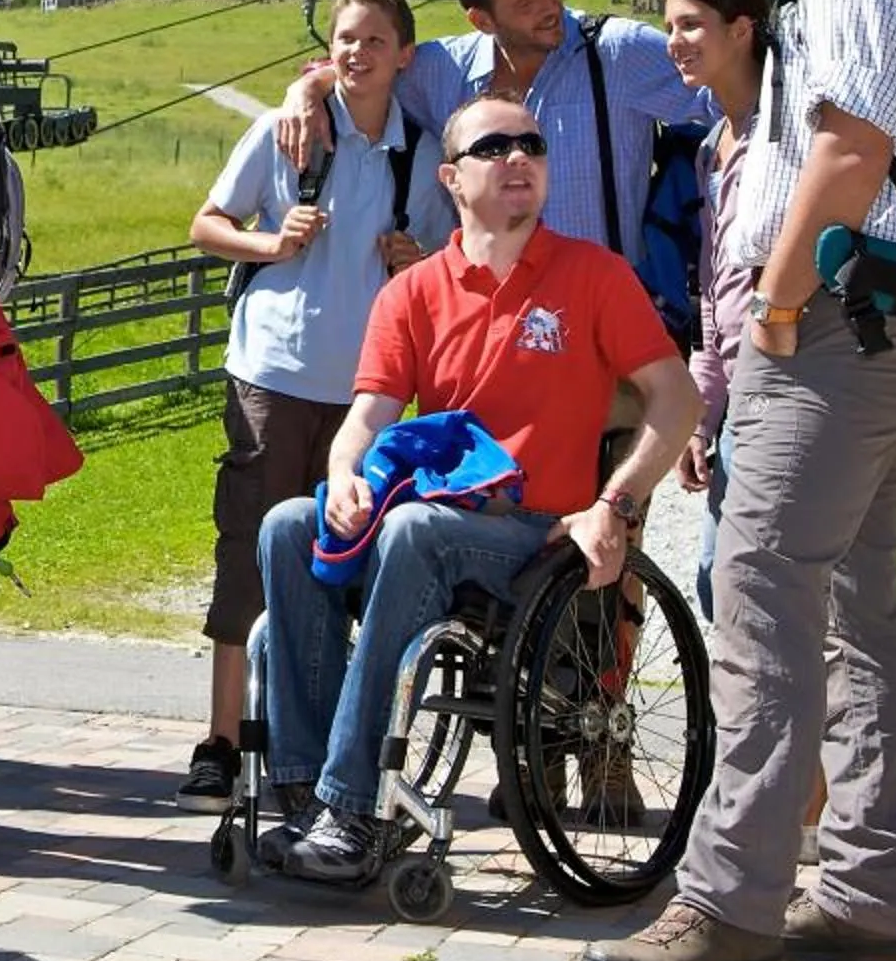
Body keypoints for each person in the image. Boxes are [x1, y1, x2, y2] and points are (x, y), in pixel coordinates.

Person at [582, 0, 896, 961]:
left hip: (839, 334)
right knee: (857, 615)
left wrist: (782, 308)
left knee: (758, 604)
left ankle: (731, 908)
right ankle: (870, 895)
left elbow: (850, 155)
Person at [255, 95, 697, 888]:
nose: (519, 156)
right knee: (290, 524)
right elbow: (367, 417)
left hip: (535, 536)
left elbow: (678, 398)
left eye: (531, 143)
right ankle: (304, 789)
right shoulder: (414, 291)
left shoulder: (594, 275)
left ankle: (355, 810)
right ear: (452, 179)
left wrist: (616, 504)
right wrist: (342, 475)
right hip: (429, 525)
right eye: (496, 147)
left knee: (415, 530)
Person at [177, 0, 452, 809]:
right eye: (343, 40)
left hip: (370, 392)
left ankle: (322, 742)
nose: (356, 53)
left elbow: (455, 264)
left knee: (340, 564)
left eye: (373, 41)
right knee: (248, 556)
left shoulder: (424, 154)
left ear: (405, 55)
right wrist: (270, 241)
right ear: (326, 52)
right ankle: (223, 742)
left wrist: (419, 262)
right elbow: (205, 224)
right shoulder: (286, 130)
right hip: (274, 375)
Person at [278, 0, 705, 258]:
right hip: (488, 319)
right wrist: (310, 86)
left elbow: (727, 98)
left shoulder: (619, 52)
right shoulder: (443, 72)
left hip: (602, 321)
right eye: (525, 4)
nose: (549, 8)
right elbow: (367, 69)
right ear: (482, 21)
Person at [659, 0, 769, 619]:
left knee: (738, 580)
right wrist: (700, 416)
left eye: (691, 25)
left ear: (742, 29)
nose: (674, 41)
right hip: (736, 386)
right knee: (715, 580)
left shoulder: (784, 137)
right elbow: (712, 295)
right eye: (670, 27)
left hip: (781, 379)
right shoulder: (710, 150)